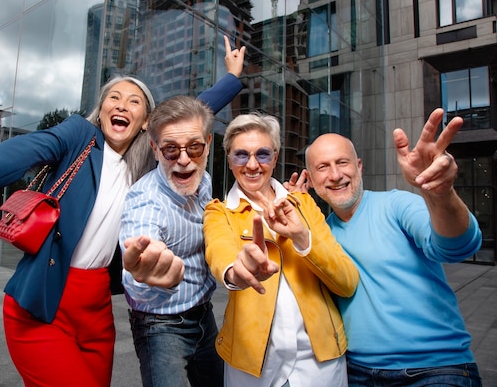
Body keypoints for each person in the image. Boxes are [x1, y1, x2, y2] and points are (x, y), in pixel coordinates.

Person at [0, 36, 245, 387]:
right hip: (43, 302)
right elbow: (18, 153)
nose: (121, 105)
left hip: (96, 309)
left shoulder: (150, 159)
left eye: (134, 101)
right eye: (113, 98)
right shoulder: (77, 137)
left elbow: (193, 115)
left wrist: (231, 77)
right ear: (101, 112)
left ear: (147, 121)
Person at [289, 108, 483, 386]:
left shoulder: (396, 205)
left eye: (342, 163)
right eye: (323, 167)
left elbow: (457, 246)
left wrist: (441, 194)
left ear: (359, 166)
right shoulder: (318, 234)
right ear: (310, 178)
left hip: (434, 369)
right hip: (355, 372)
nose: (335, 175)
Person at [202, 112, 360, 387]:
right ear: (229, 159)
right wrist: (236, 272)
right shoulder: (219, 212)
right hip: (251, 368)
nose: (252, 164)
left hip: (320, 363)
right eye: (241, 155)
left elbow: (347, 283)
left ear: (275, 158)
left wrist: (301, 236)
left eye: (262, 154)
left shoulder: (304, 205)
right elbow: (220, 251)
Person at [119, 95, 225, 387]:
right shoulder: (144, 203)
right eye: (170, 149)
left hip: (205, 315)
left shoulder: (203, 182)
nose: (183, 159)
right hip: (160, 326)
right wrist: (144, 277)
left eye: (194, 147)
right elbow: (140, 261)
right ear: (154, 149)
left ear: (207, 144)